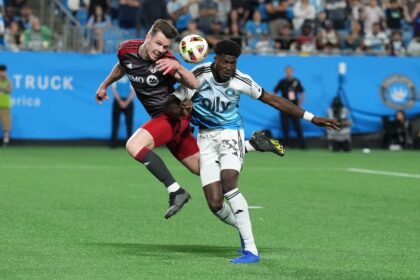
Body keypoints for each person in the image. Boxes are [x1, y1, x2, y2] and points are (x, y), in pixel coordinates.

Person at [170, 39, 339, 263]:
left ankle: (251, 249)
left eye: (234, 63)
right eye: (226, 62)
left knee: (229, 182)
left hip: (231, 133)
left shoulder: (241, 80)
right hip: (206, 138)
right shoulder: (197, 76)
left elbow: (273, 99)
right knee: (215, 204)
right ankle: (255, 146)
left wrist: (312, 117)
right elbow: (173, 104)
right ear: (216, 59)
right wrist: (182, 110)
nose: (230, 67)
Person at [95, 19, 283, 220]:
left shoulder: (166, 61)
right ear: (147, 37)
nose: (161, 50)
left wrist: (177, 65)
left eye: (166, 47)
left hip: (172, 117)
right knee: (201, 168)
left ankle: (175, 191)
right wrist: (105, 85)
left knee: (134, 145)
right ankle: (253, 144)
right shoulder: (126, 49)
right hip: (167, 123)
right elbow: (123, 66)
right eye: (158, 44)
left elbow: (193, 83)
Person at [273, 65, 306, 148]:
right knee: (285, 126)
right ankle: (286, 144)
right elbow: (274, 93)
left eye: (290, 71)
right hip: (284, 107)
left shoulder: (296, 81)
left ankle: (302, 145)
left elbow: (302, 93)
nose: (288, 73)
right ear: (285, 72)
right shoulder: (282, 82)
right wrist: (276, 103)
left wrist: (300, 104)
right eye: (287, 71)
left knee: (297, 125)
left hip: (294, 107)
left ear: (292, 72)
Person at [110, 76, 135, 148]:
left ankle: (130, 145)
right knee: (116, 123)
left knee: (129, 123)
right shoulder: (116, 76)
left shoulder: (130, 76)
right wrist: (121, 101)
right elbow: (114, 89)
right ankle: (113, 144)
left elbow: (133, 91)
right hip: (120, 101)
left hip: (126, 101)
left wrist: (125, 102)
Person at [0, 64, 12, 146]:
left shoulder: (8, 81)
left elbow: (10, 90)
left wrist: (2, 88)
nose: (2, 73)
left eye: (3, 72)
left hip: (5, 105)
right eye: (1, 72)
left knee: (6, 123)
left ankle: (6, 140)